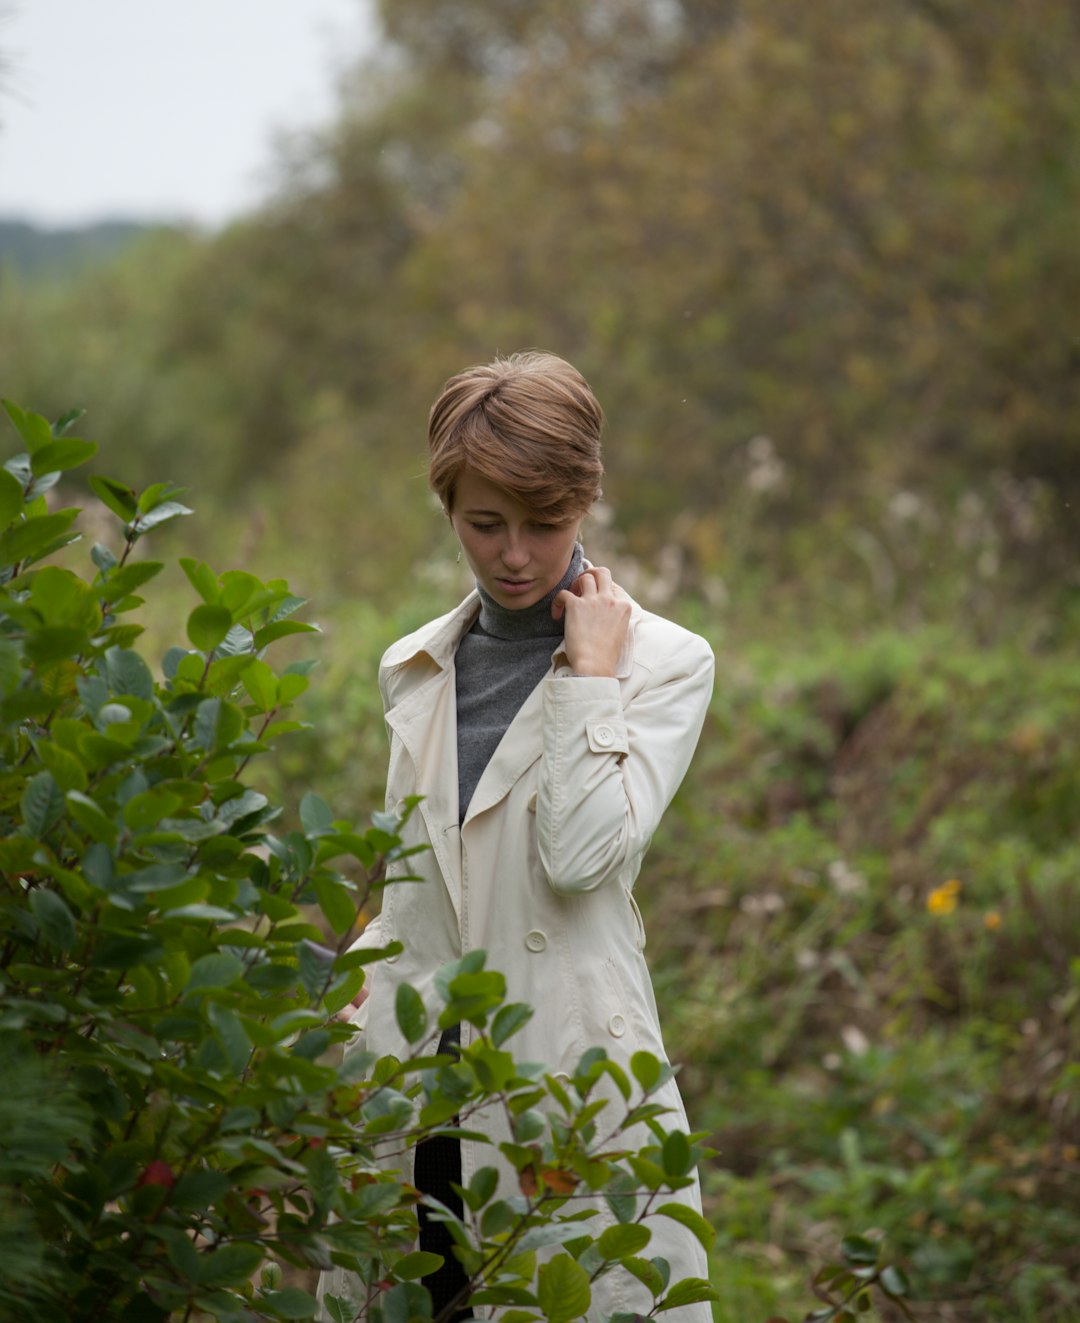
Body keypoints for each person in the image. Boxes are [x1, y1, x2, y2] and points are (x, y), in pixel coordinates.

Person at [320, 351, 715, 1321]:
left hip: (563, 1074)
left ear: (586, 502)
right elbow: (425, 873)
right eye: (484, 523)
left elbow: (582, 861)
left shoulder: (663, 663)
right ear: (448, 508)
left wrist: (587, 679)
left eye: (546, 524)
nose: (515, 556)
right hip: (416, 1084)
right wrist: (358, 990)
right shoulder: (412, 667)